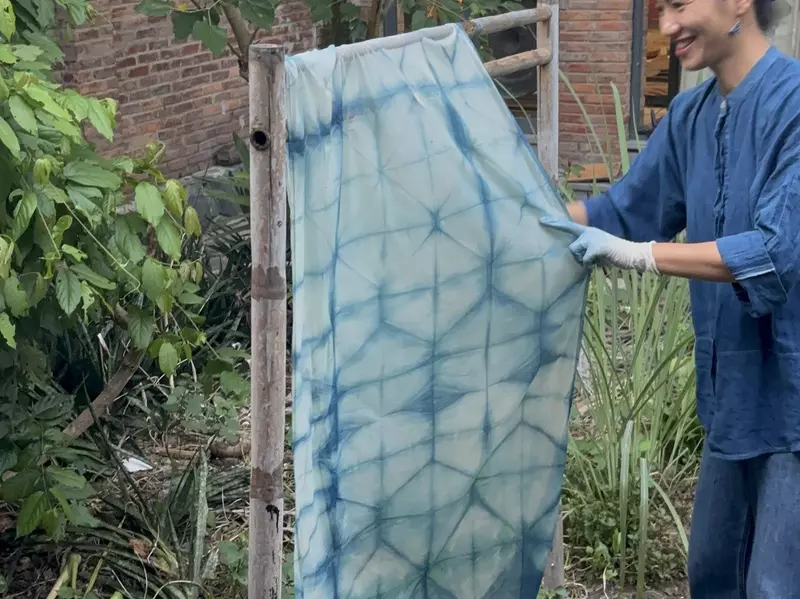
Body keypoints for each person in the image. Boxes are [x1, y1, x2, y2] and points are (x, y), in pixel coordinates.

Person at [540, 0, 800, 596]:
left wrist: (641, 256)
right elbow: (620, 212)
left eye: (680, 4)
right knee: (711, 575)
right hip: (732, 402)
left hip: (791, 402)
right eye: (659, 8)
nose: (665, 26)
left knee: (773, 587)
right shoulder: (690, 116)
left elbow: (775, 251)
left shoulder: (793, 104)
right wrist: (522, 223)